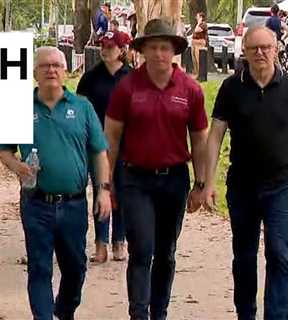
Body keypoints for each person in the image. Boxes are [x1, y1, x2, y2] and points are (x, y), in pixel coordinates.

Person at [0, 47, 111, 320]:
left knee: (75, 268)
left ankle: (64, 310)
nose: (51, 70)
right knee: (40, 267)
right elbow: (3, 150)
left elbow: (99, 152)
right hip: (37, 203)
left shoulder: (82, 107)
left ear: (65, 70)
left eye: (57, 65)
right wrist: (18, 167)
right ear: (34, 72)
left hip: (73, 203)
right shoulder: (19, 108)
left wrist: (103, 191)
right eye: (45, 66)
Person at [104, 18, 208, 320]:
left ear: (174, 51)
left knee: (166, 252)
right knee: (142, 248)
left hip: (174, 179)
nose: (160, 54)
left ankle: (159, 312)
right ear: (143, 50)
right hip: (135, 178)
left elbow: (199, 138)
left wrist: (201, 183)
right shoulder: (127, 88)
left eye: (165, 48)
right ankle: (138, 312)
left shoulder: (190, 89)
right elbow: (111, 136)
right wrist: (106, 183)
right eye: (153, 47)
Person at [204, 26, 288, 320]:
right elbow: (215, 135)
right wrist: (207, 181)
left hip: (281, 186)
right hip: (242, 187)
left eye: (266, 47)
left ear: (276, 49)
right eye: (254, 49)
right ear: (245, 53)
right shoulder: (231, 88)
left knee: (280, 253)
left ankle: (277, 314)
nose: (260, 53)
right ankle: (246, 313)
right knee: (244, 257)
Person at [76, 30, 131, 263]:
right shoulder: (90, 78)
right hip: (97, 145)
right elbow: (78, 111)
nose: (105, 49)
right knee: (102, 189)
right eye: (103, 45)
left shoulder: (133, 78)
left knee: (123, 191)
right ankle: (101, 243)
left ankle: (120, 239)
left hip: (127, 145)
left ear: (122, 50)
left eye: (110, 46)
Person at [191, 12, 208, 78]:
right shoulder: (198, 24)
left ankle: (200, 74)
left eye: (197, 16)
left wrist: (198, 23)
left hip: (199, 43)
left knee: (198, 59)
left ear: (201, 17)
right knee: (194, 59)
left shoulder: (203, 24)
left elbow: (197, 30)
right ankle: (196, 73)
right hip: (195, 43)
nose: (196, 17)